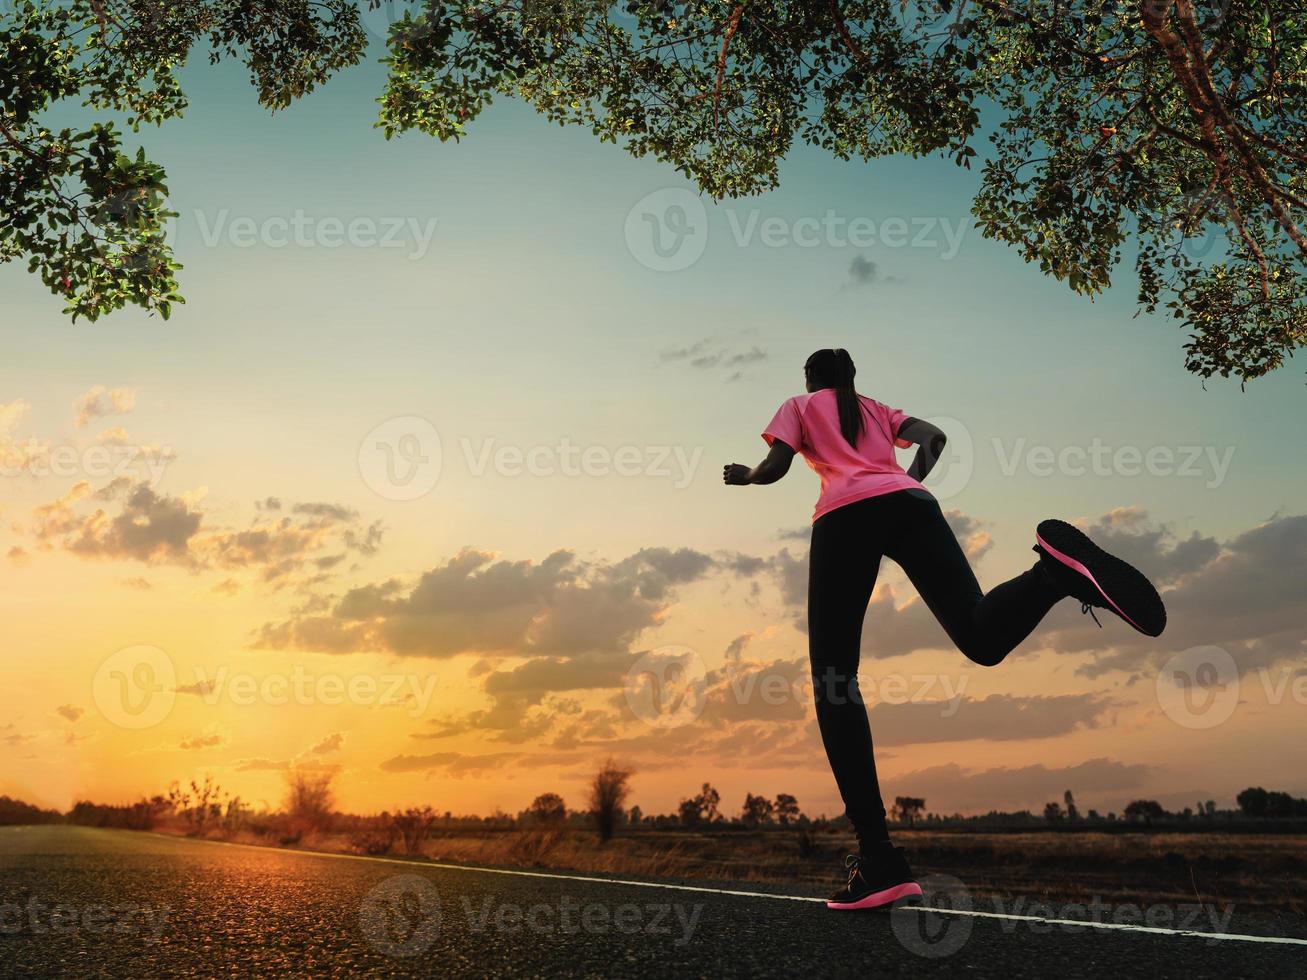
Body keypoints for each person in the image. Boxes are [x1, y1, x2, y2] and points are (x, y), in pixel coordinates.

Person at [723, 348, 1166, 911]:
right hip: (913, 504)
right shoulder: (874, 408)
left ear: (811, 379)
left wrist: (747, 477)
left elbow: (779, 464)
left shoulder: (799, 404)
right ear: (850, 377)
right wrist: (900, 483)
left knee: (834, 680)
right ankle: (1052, 576)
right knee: (980, 637)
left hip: (843, 518)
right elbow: (934, 439)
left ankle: (878, 859)